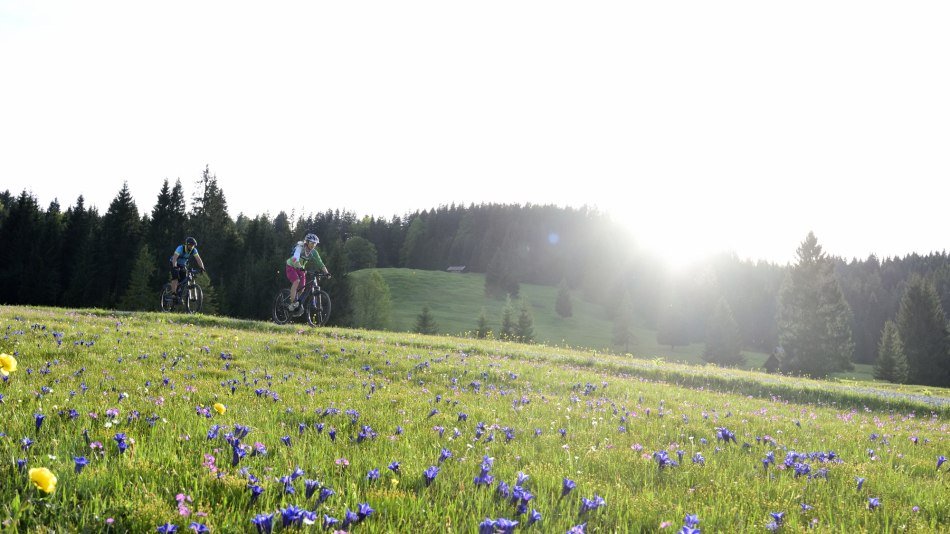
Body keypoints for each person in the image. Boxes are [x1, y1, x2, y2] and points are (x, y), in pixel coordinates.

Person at [286, 233, 330, 311]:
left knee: (302, 288)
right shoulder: (300, 247)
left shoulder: (314, 252)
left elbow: (320, 263)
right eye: (312, 243)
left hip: (301, 269)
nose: (313, 245)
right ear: (307, 242)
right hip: (291, 266)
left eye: (315, 243)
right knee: (296, 281)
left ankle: (297, 304)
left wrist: (326, 273)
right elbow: (295, 258)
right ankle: (292, 303)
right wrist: (299, 267)